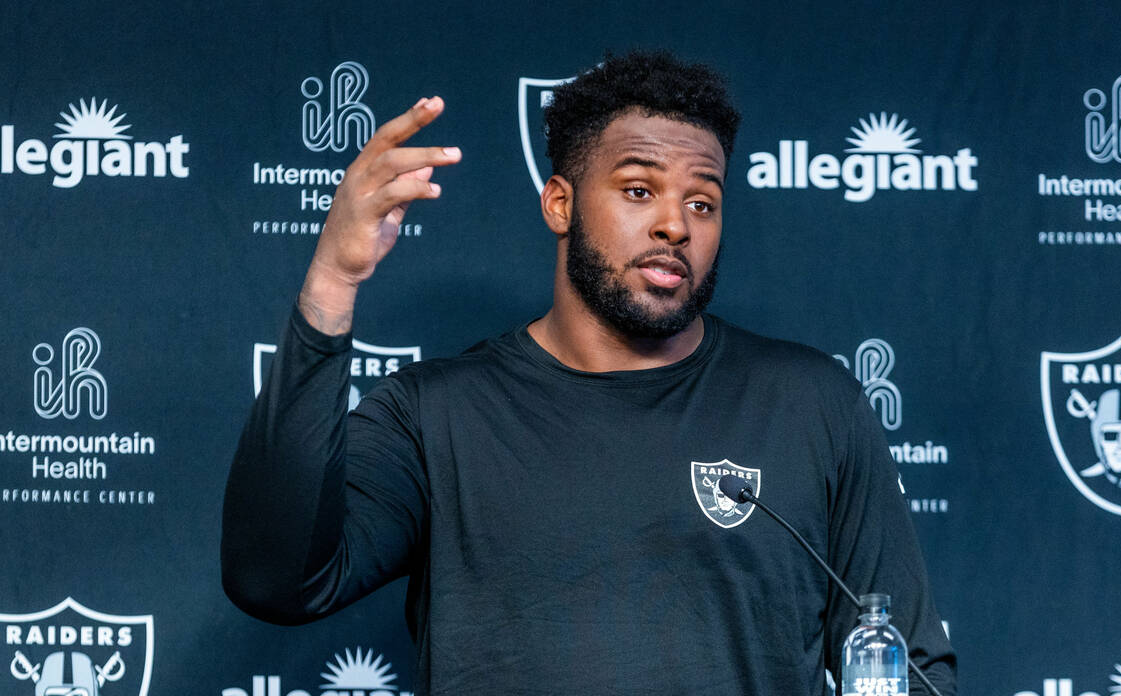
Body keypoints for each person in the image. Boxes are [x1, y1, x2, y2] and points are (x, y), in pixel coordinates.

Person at [222, 50, 956, 695]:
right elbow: (278, 579)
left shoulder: (811, 403)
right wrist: (331, 284)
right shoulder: (436, 415)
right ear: (560, 203)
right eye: (639, 190)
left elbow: (912, 668)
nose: (676, 223)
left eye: (702, 201)